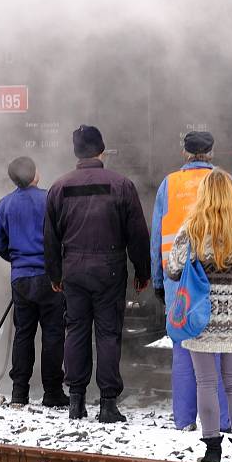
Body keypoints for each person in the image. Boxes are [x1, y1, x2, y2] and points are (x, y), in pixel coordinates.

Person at [44, 125, 151, 423]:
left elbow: (50, 238)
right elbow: (138, 234)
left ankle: (76, 402)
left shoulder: (58, 187)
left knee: (75, 330)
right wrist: (142, 271)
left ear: (75, 152)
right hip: (110, 269)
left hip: (73, 269)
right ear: (102, 150)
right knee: (107, 333)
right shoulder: (122, 185)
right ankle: (108, 404)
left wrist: (55, 274)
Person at [166, 168, 232, 462]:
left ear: (204, 195)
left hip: (201, 318)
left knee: (205, 382)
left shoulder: (192, 229)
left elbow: (173, 268)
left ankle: (211, 451)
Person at [150, 131, 232, 432]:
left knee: (183, 350)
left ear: (184, 152)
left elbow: (158, 237)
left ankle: (184, 421)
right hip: (219, 277)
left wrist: (159, 280)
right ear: (212, 151)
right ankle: (223, 421)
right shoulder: (227, 182)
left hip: (180, 280)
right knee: (221, 349)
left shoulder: (169, 185)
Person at [0, 156, 68, 408]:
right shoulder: (50, 199)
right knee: (53, 334)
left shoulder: (4, 204)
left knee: (23, 334)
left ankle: (19, 392)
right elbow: (62, 236)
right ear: (35, 174)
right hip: (50, 278)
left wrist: (17, 260)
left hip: (21, 278)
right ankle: (53, 392)